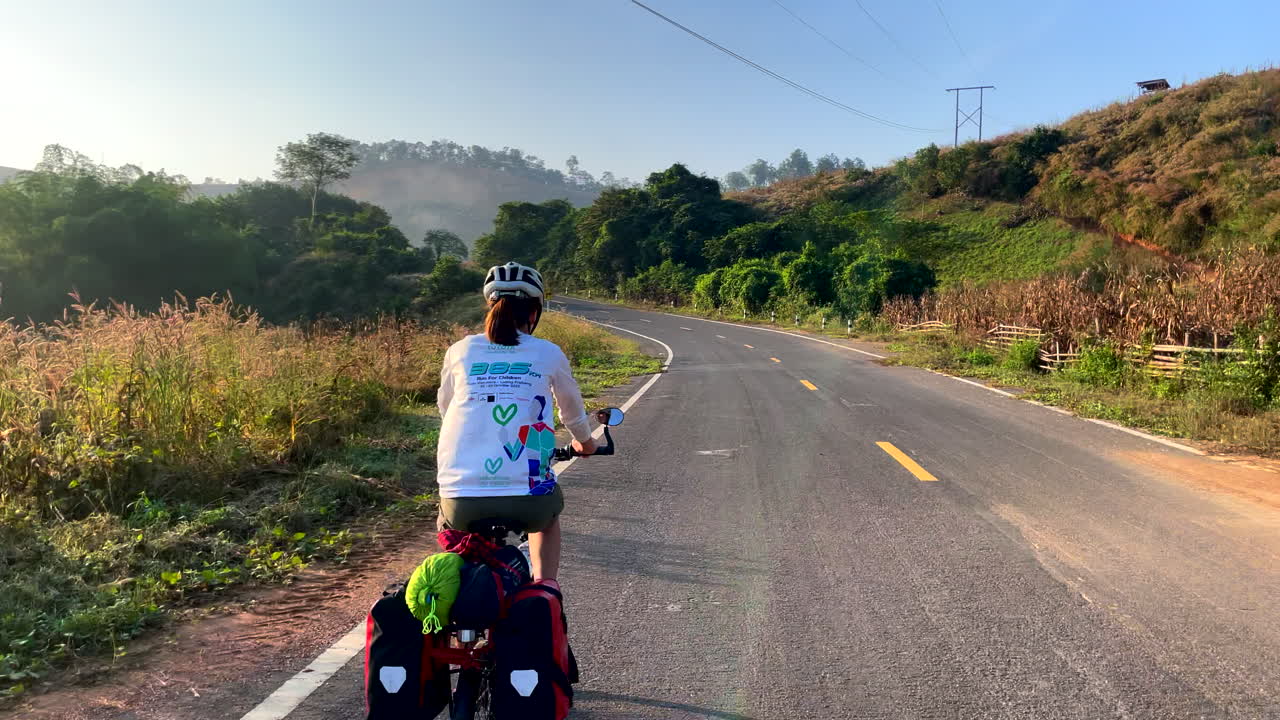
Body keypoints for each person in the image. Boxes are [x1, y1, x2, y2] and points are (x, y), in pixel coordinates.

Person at [435, 261, 597, 584]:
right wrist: (585, 444)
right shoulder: (547, 352)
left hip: (460, 497)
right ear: (534, 313)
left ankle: (454, 596)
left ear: (490, 306)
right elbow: (572, 414)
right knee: (546, 522)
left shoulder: (460, 350)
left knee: (448, 525)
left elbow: (446, 409)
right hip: (529, 500)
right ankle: (545, 590)